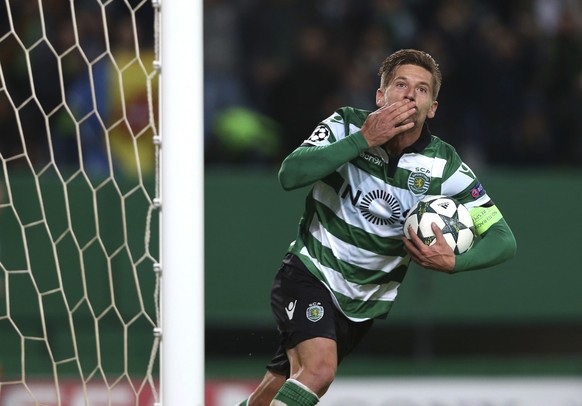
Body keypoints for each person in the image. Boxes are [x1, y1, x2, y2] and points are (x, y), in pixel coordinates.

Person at [237, 49, 517, 406]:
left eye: (421, 89)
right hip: (311, 273)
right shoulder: (346, 125)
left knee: (277, 389)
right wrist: (363, 141)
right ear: (380, 96)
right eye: (400, 84)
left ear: (432, 106)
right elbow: (289, 175)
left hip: (363, 305)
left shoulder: (444, 166)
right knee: (319, 372)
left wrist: (454, 263)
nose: (409, 94)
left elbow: (503, 238)